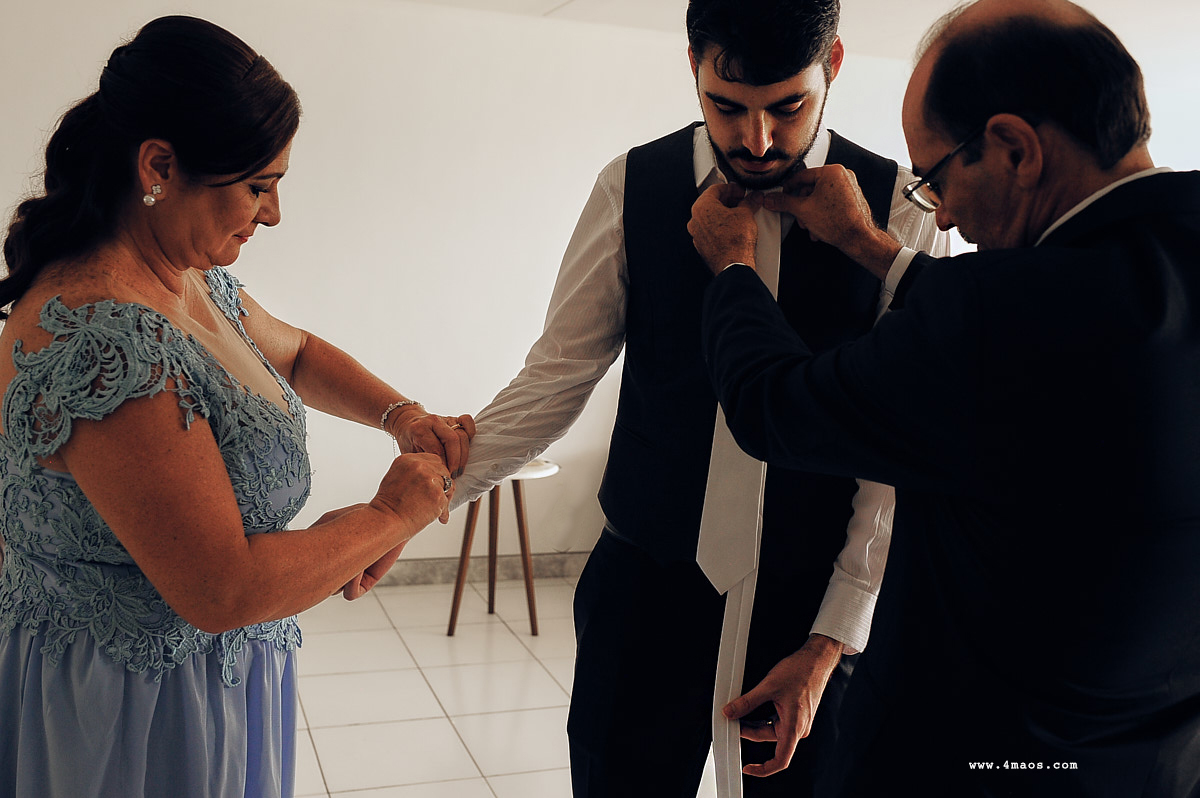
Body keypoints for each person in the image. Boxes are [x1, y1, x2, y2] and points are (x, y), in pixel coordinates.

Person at [689, 0, 1200, 794]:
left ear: (1015, 148)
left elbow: (772, 406)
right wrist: (871, 246)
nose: (946, 216)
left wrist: (732, 271)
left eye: (935, 178)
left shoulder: (996, 317)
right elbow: (1035, 344)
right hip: (1155, 766)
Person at [453, 0, 946, 794]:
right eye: (727, 107)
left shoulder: (896, 210)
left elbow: (896, 451)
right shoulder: (630, 185)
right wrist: (424, 495)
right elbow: (557, 375)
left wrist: (833, 637)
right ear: (692, 65)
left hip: (811, 605)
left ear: (833, 65)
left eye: (788, 107)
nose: (758, 141)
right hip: (643, 589)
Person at [0, 16, 474, 798]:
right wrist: (391, 516)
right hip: (129, 712)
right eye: (258, 186)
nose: (274, 213)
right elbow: (223, 589)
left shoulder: (187, 276)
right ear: (159, 165)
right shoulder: (103, 335)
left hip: (209, 682)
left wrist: (402, 416)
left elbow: (297, 353)